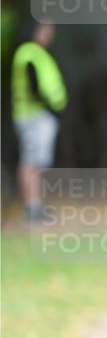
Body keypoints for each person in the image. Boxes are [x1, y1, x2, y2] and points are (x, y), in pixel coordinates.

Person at [11, 22, 68, 222]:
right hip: (33, 116)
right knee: (30, 162)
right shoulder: (29, 53)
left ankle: (36, 206)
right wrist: (49, 107)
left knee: (37, 163)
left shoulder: (38, 53)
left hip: (39, 116)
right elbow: (34, 84)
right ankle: (31, 208)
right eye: (47, 31)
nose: (50, 35)